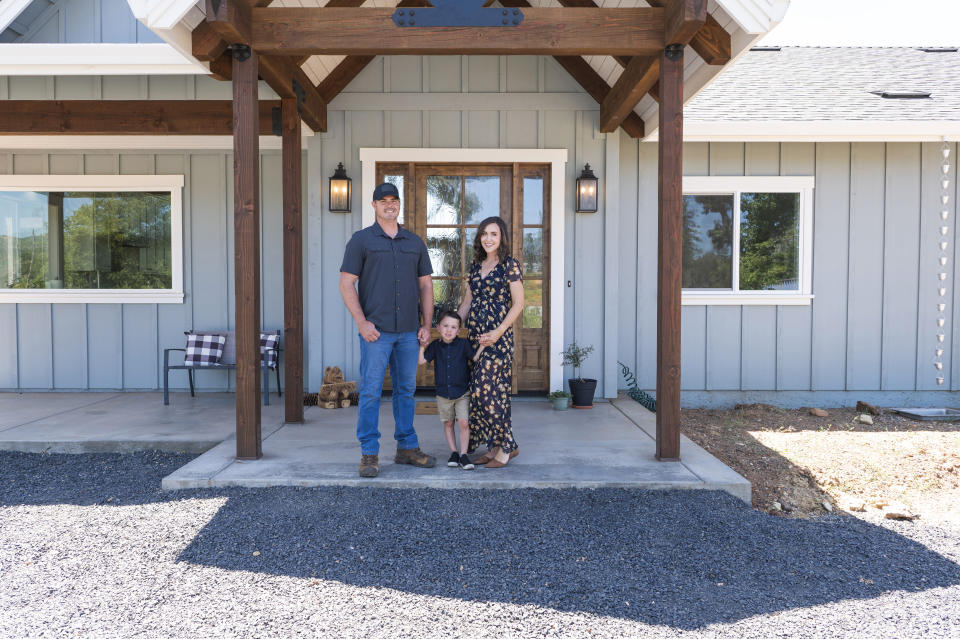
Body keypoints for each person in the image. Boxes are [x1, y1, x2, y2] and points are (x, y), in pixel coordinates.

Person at [339, 182, 436, 478]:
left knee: (406, 391)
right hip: (376, 333)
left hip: (408, 331)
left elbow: (426, 286)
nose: (390, 204)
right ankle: (369, 453)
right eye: (384, 200)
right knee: (370, 392)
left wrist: (427, 326)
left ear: (399, 204)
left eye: (394, 200)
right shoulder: (361, 240)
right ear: (374, 205)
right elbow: (346, 283)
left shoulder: (414, 242)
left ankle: (406, 447)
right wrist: (361, 322)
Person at [456, 216, 524, 468]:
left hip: (498, 340)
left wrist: (498, 331)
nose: (488, 238)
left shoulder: (509, 265)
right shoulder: (475, 266)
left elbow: (518, 303)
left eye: (493, 234)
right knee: (484, 394)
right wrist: (450, 327)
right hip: (475, 338)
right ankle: (494, 447)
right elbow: (466, 304)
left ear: (501, 237)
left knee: (487, 391)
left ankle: (508, 447)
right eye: (484, 233)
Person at [418, 310, 477, 471]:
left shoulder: (464, 344)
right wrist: (423, 347)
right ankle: (454, 452)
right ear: (438, 327)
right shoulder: (436, 346)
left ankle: (464, 454)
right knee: (449, 423)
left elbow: (474, 358)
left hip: (462, 392)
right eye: (445, 326)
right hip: (443, 393)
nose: (449, 330)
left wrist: (483, 346)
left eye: (453, 327)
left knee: (464, 423)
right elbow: (422, 361)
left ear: (458, 330)